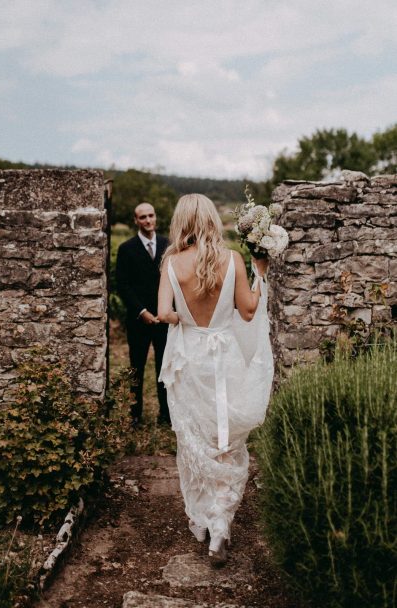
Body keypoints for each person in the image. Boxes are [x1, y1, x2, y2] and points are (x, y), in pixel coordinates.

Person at [158, 194, 274, 566]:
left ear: (181, 222)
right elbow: (249, 309)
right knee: (226, 439)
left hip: (190, 359)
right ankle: (220, 528)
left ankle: (208, 519)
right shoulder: (234, 260)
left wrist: (182, 320)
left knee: (195, 437)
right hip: (224, 357)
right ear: (210, 219)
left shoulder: (172, 263)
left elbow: (163, 313)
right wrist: (262, 275)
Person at [116, 202, 170, 426]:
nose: (148, 220)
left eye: (151, 215)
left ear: (156, 217)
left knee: (165, 368)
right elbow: (122, 284)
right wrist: (142, 311)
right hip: (139, 320)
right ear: (136, 221)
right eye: (143, 217)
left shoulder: (169, 245)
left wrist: (166, 311)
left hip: (165, 318)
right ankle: (135, 414)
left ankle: (166, 415)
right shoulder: (126, 248)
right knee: (136, 367)